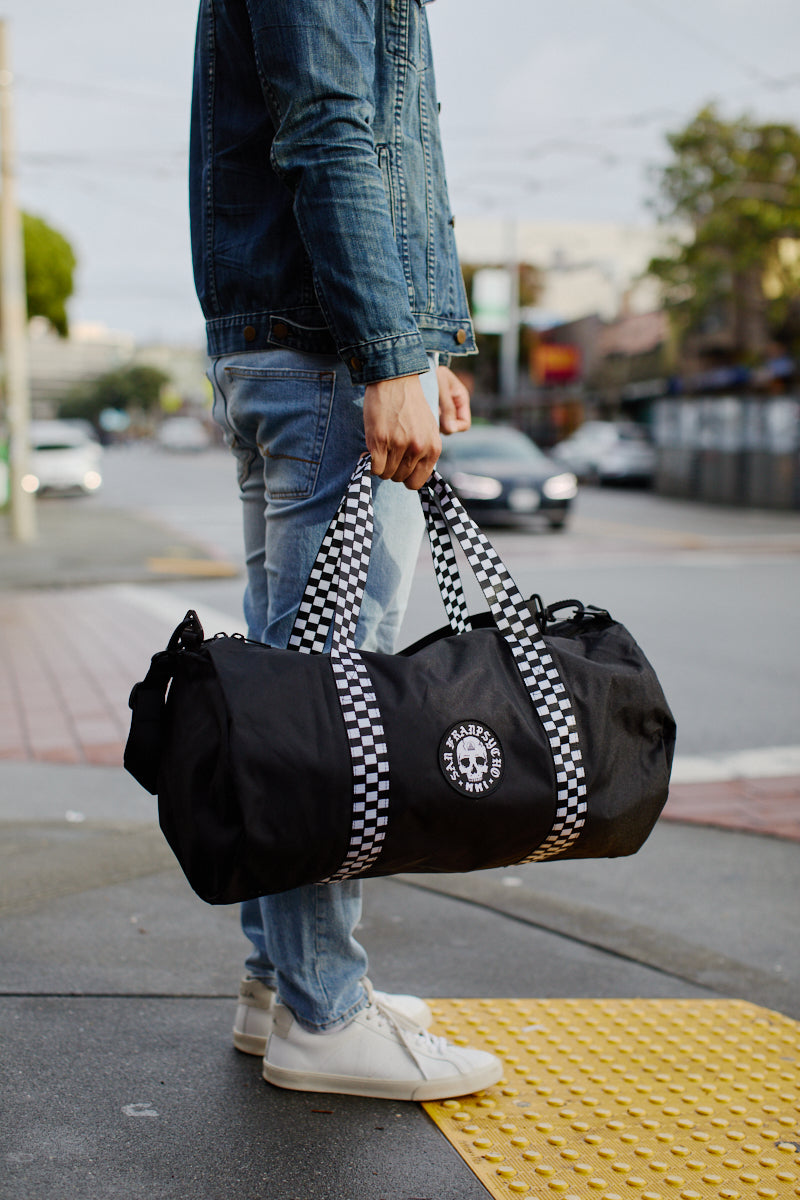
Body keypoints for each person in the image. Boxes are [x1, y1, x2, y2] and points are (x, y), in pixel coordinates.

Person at [189, 0, 502, 1100]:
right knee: (332, 705)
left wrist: (423, 343)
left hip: (305, 344)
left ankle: (280, 983)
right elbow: (330, 128)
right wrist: (385, 354)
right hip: (325, 353)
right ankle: (324, 1012)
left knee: (292, 688)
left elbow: (380, 140)